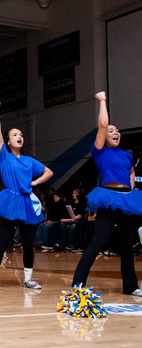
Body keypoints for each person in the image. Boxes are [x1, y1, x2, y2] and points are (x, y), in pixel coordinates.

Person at [72, 92, 142, 296]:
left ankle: (131, 286)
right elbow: (102, 125)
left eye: (117, 130)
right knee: (99, 241)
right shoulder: (99, 150)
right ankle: (77, 285)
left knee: (127, 244)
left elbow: (131, 172)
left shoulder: (127, 155)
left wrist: (131, 187)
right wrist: (102, 100)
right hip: (109, 198)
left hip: (127, 199)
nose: (115, 132)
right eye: (112, 130)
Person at [0, 100, 53, 291]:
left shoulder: (30, 161)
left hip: (27, 203)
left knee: (28, 244)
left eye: (21, 135)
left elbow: (49, 172)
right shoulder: (3, 156)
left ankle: (28, 279)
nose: (19, 137)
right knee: (3, 240)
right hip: (10, 200)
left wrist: (36, 182)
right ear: (8, 141)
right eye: (15, 135)